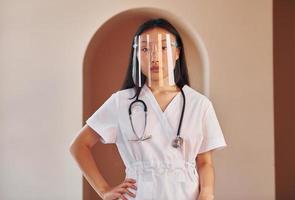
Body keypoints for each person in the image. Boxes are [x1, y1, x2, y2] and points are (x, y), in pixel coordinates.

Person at [69, 18, 227, 200]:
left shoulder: (199, 104)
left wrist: (207, 193)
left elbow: (205, 162)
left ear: (177, 52)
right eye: (144, 49)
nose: (154, 57)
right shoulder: (122, 102)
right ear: (136, 55)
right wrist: (104, 190)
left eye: (163, 47)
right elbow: (79, 146)